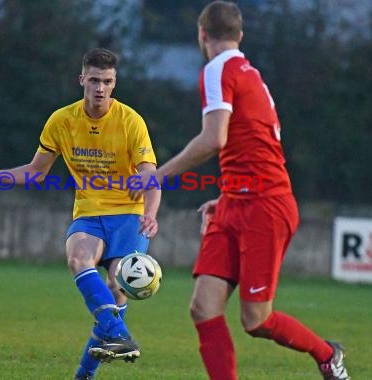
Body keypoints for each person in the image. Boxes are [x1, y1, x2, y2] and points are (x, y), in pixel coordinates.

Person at [129, 2, 350, 379]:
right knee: (203, 307)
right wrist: (230, 191)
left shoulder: (219, 68)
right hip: (238, 200)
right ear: (240, 36)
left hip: (265, 205)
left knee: (255, 319)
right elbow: (248, 142)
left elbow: (214, 138)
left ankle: (327, 354)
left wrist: (157, 176)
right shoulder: (249, 72)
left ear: (202, 35)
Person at [0, 48, 161, 380]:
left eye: (107, 81)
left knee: (117, 289)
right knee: (77, 257)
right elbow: (36, 171)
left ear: (114, 83)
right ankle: (118, 333)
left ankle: (85, 372)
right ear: (82, 80)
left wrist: (150, 213)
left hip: (129, 215)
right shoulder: (61, 120)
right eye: (94, 80)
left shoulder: (131, 121)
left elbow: (149, 176)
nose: (100, 88)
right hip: (89, 212)